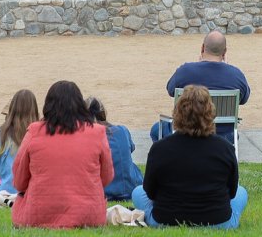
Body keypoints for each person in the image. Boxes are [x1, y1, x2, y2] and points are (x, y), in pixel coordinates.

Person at [131, 86, 248, 228]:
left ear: (177, 113)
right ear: (211, 113)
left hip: (166, 219)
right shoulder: (226, 148)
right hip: (218, 221)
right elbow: (233, 191)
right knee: (242, 192)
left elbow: (149, 191)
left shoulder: (160, 148)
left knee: (138, 192)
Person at [12, 80, 113, 229]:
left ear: (48, 105)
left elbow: (19, 181)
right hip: (89, 214)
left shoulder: (34, 131)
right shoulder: (97, 132)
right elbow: (107, 176)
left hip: (39, 214)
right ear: (80, 105)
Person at [154, 30, 251, 144]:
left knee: (155, 130)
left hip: (187, 131)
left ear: (202, 48)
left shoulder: (185, 70)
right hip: (223, 135)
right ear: (224, 52)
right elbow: (244, 99)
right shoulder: (236, 74)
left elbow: (171, 90)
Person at [87, 97, 143, 202]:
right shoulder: (122, 130)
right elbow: (130, 149)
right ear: (103, 113)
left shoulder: (86, 136)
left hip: (104, 190)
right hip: (130, 187)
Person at [0, 89, 40, 195]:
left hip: (8, 188)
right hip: (31, 190)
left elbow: (0, 169)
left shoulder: (1, 133)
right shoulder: (39, 133)